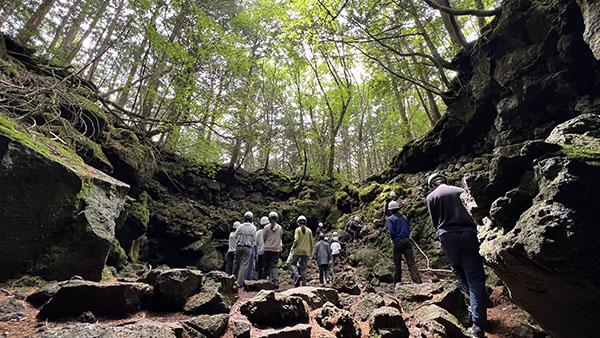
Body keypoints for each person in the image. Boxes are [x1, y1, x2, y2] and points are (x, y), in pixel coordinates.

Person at [426, 173, 487, 338]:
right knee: (475, 278)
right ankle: (478, 323)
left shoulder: (431, 196)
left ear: (432, 184)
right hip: (468, 234)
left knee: (457, 268)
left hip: (447, 236)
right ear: (446, 180)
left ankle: (476, 302)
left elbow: (435, 222)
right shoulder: (461, 191)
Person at [387, 200, 422, 284]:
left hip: (397, 242)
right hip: (407, 240)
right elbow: (408, 228)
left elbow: (391, 231)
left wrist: (394, 239)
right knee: (411, 262)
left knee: (397, 263)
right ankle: (417, 281)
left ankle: (397, 282)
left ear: (390, 210)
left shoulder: (390, 219)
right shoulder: (404, 217)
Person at [232, 211, 257, 288]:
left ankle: (232, 280)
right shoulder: (253, 227)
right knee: (244, 265)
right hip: (248, 247)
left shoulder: (240, 226)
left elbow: (235, 235)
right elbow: (254, 239)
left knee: (236, 263)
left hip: (239, 246)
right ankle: (239, 283)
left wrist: (239, 240)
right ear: (251, 219)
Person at [290, 215, 313, 287]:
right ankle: (304, 283)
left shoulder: (297, 230)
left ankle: (296, 274)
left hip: (298, 250)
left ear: (298, 222)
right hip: (306, 251)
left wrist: (293, 246)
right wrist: (310, 251)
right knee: (304, 267)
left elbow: (296, 240)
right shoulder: (309, 230)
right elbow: (311, 242)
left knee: (293, 263)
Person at [263, 211, 283, 287]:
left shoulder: (266, 227)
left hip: (267, 248)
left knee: (266, 266)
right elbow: (280, 238)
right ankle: (275, 280)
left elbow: (264, 238)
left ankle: (266, 281)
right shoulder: (280, 228)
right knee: (274, 265)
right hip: (276, 249)